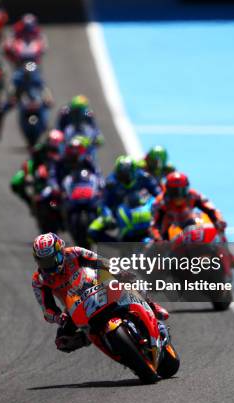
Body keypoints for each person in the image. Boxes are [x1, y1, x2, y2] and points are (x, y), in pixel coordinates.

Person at [31, 233, 169, 352]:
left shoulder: (75, 252)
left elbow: (101, 261)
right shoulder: (39, 280)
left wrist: (119, 272)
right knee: (62, 342)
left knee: (128, 279)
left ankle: (151, 305)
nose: (49, 265)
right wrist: (58, 317)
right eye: (44, 262)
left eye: (52, 259)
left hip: (98, 285)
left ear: (60, 251)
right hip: (75, 306)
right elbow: (46, 308)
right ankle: (90, 337)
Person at [88, 156, 161, 243]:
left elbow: (158, 193)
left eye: (125, 174)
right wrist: (107, 215)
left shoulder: (143, 177)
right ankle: (120, 245)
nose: (122, 177)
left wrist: (159, 204)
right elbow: (103, 203)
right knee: (92, 231)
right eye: (120, 174)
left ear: (133, 171)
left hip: (144, 210)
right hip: (119, 214)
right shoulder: (111, 182)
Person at [0, 62, 53, 142]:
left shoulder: (37, 77)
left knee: (45, 116)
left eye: (31, 72)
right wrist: (11, 97)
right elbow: (11, 88)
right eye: (27, 72)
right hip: (20, 99)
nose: (29, 74)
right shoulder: (18, 77)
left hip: (36, 101)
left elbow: (44, 89)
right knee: (0, 110)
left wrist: (49, 98)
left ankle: (47, 136)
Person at [10, 129, 65, 208]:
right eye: (52, 141)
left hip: (55, 178)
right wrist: (28, 174)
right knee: (16, 182)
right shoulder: (39, 149)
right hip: (38, 173)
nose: (53, 145)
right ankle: (30, 201)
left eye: (57, 142)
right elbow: (30, 162)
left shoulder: (65, 154)